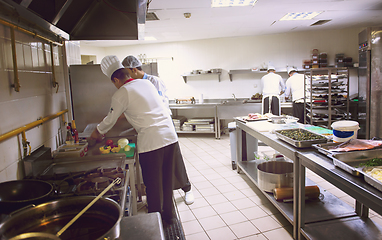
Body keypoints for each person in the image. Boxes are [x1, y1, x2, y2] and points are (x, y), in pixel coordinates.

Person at [90, 55, 179, 225]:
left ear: (116, 79)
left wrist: (95, 134)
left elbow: (110, 119)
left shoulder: (121, 93)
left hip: (152, 142)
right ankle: (169, 217)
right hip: (170, 137)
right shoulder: (146, 83)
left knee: (152, 185)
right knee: (167, 181)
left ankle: (155, 222)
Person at [121, 55, 194, 205]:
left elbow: (159, 105)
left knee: (174, 160)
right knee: (156, 165)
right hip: (149, 129)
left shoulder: (154, 82)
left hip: (164, 126)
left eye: (127, 72)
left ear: (134, 70)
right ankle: (159, 196)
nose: (126, 77)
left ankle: (187, 189)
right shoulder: (133, 85)